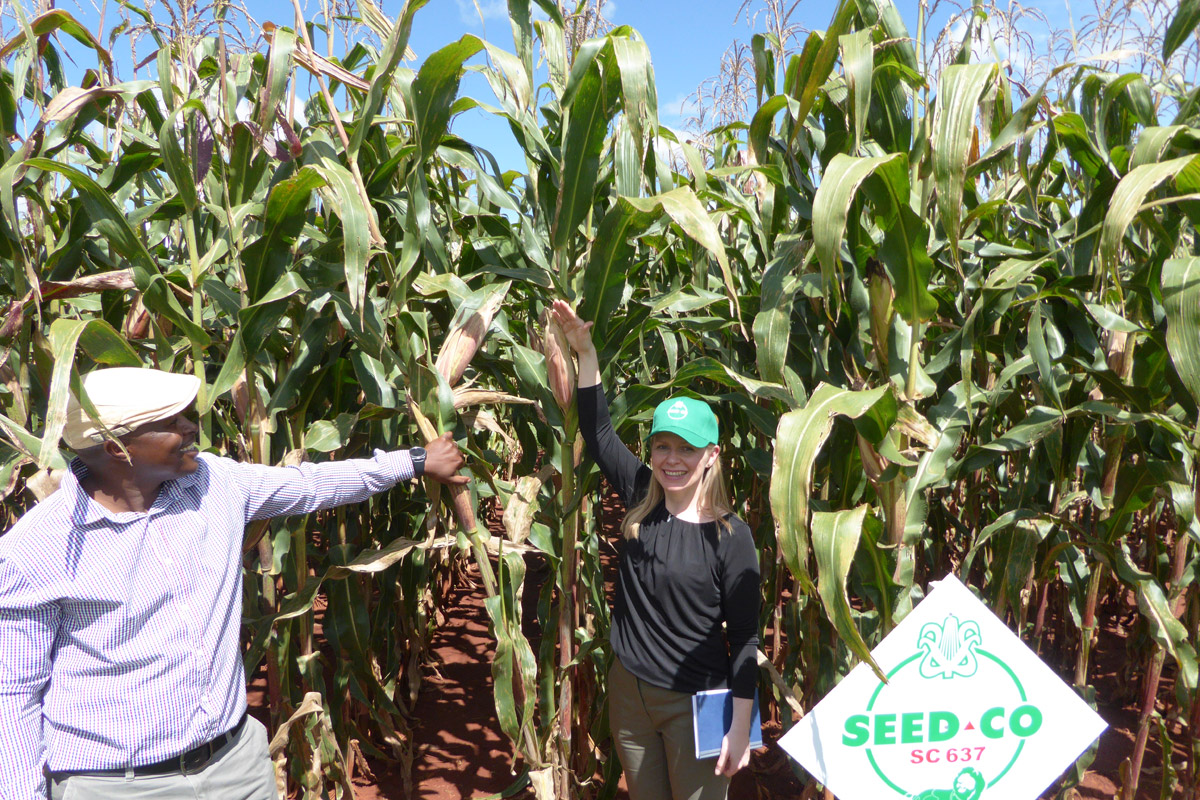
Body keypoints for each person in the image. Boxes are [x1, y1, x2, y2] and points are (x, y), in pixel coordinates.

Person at [0, 367, 469, 800]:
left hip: (236, 765)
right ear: (115, 448)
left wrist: (414, 461)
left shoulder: (216, 483)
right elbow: (14, 692)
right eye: (172, 422)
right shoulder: (37, 549)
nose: (191, 429)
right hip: (117, 786)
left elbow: (310, 484)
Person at [550, 300, 761, 800]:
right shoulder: (643, 496)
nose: (672, 460)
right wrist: (586, 355)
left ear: (711, 456)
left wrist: (739, 727)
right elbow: (599, 434)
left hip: (696, 706)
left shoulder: (732, 538)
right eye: (663, 446)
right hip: (630, 695)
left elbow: (747, 640)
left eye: (687, 449)